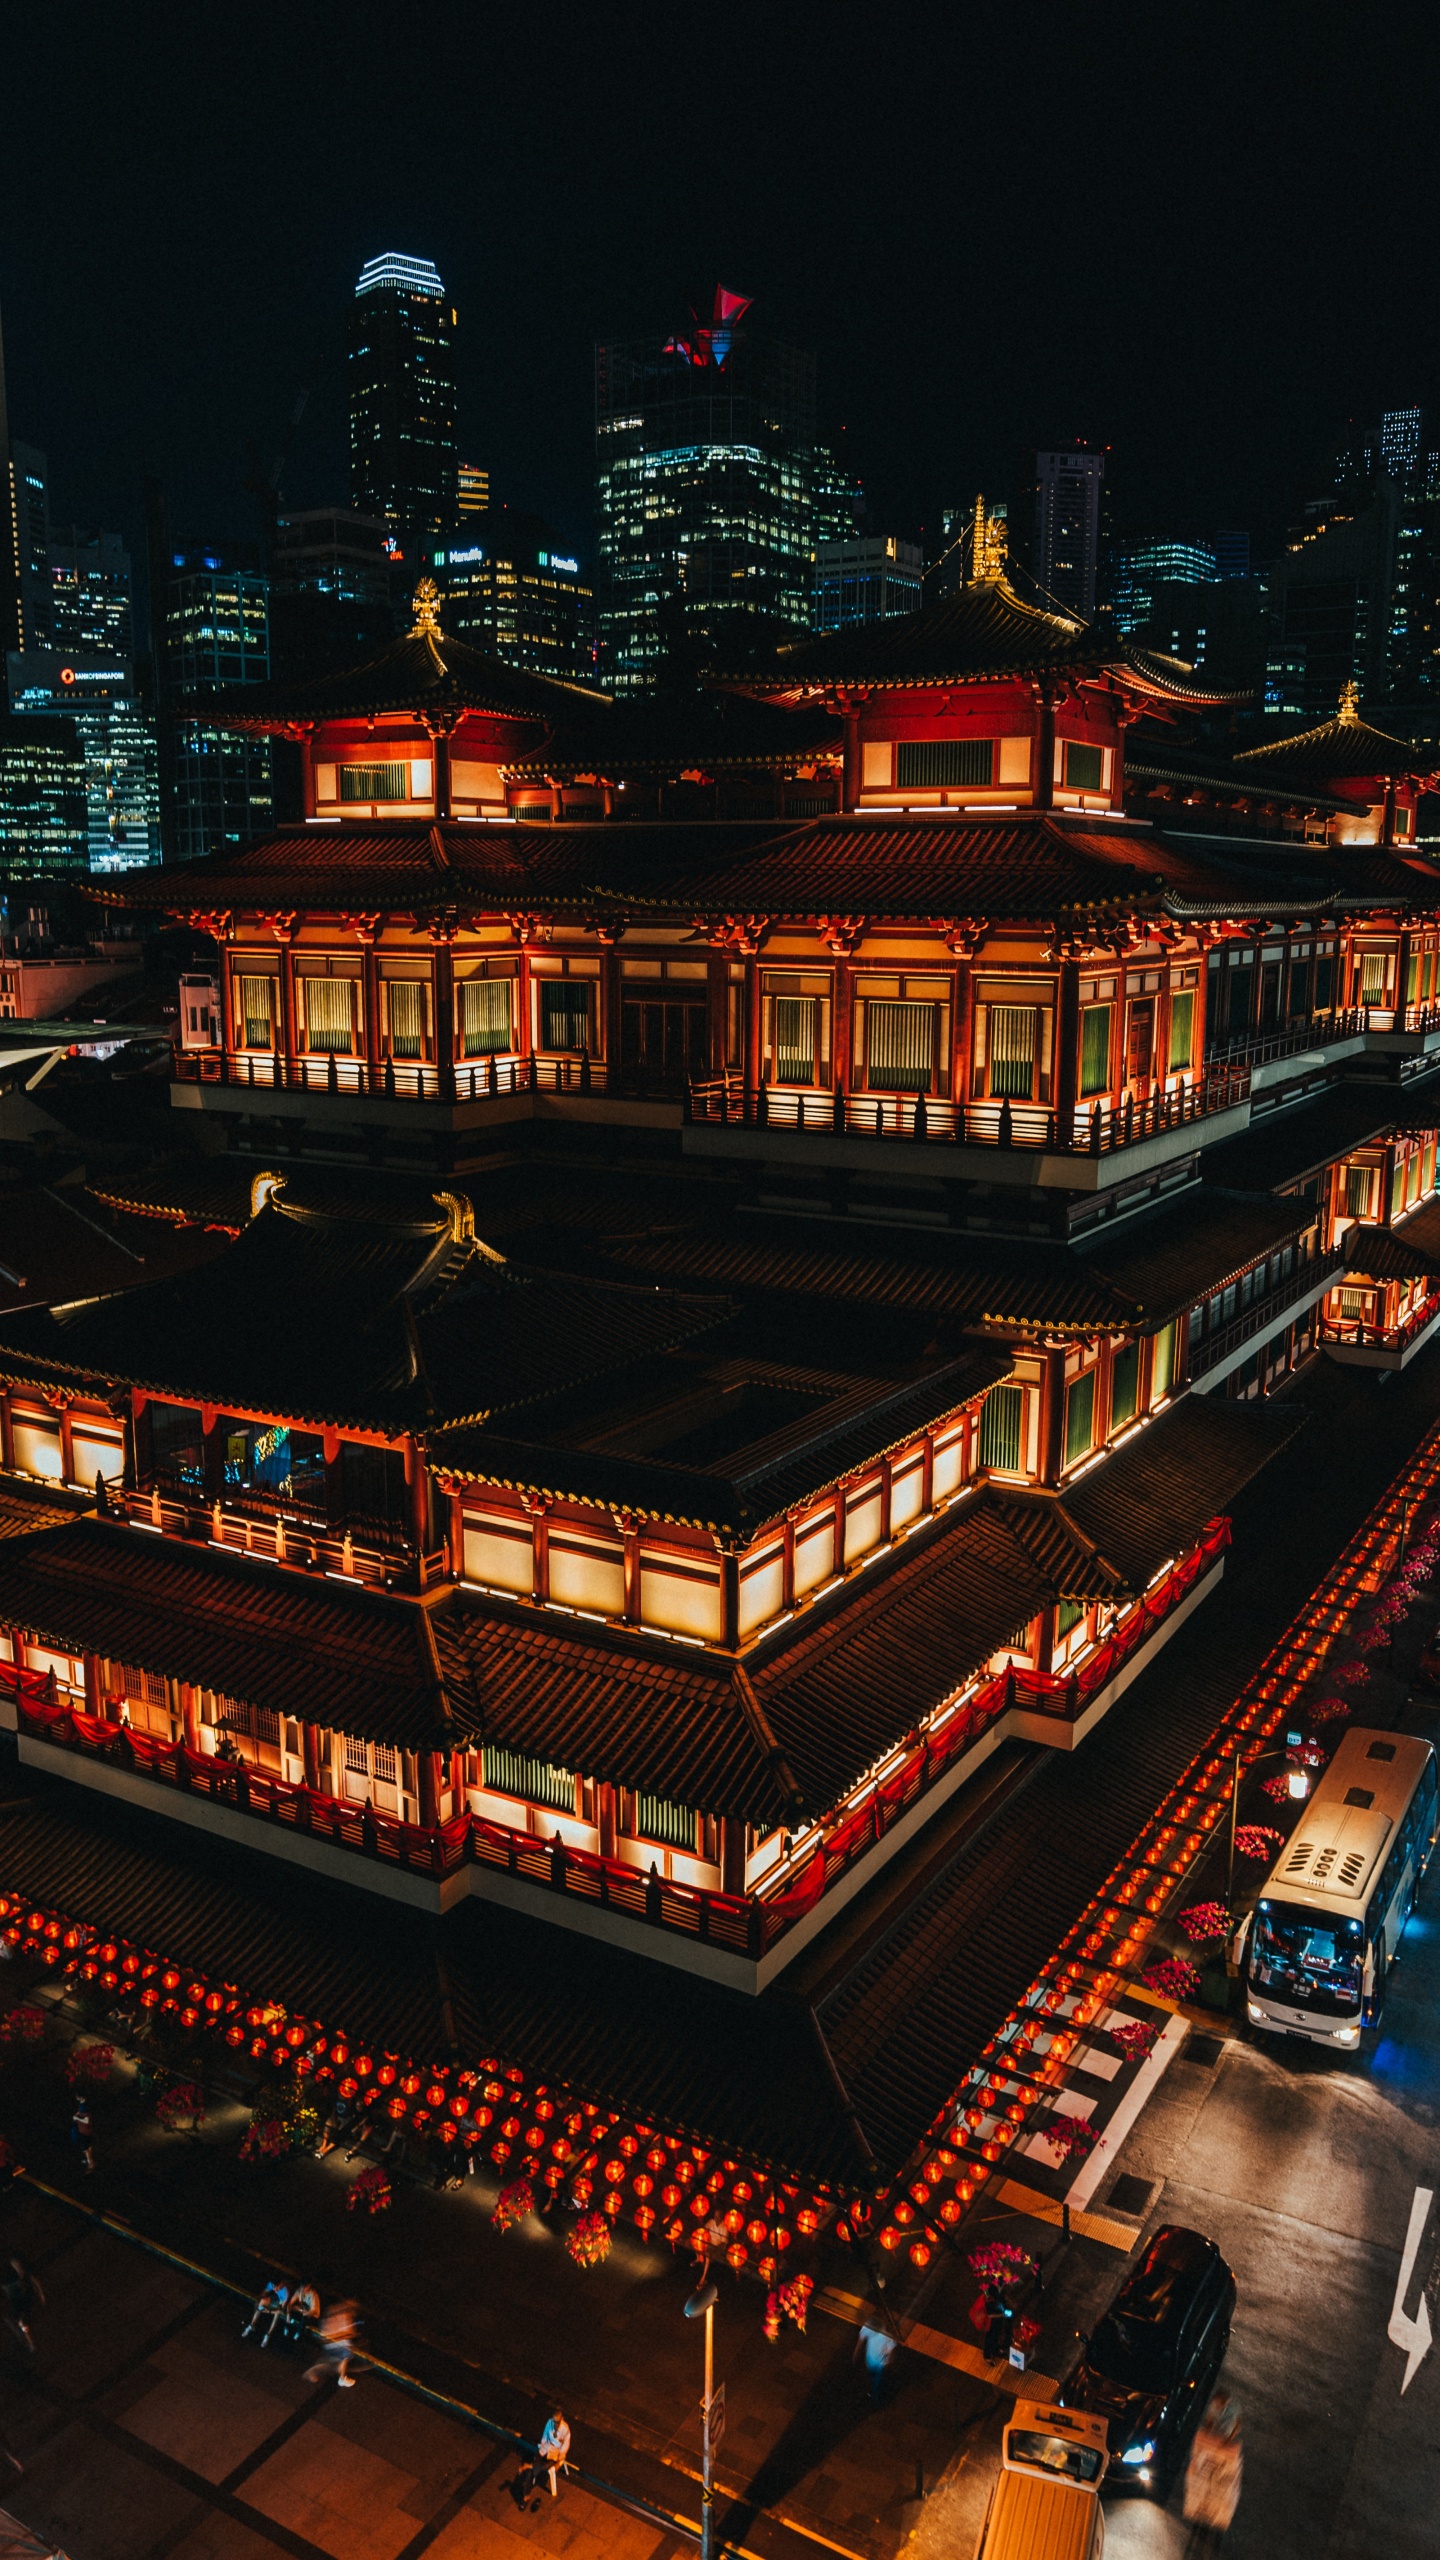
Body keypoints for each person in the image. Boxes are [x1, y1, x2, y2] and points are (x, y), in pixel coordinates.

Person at [1183, 2393, 1242, 2552]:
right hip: (1214, 2446)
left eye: (1219, 2404)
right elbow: (1209, 2421)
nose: (1216, 2407)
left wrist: (1227, 2441)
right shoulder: (1215, 2406)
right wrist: (1209, 2434)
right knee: (1204, 2493)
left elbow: (1236, 2426)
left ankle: (1210, 2542)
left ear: (1225, 2401)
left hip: (1222, 2448)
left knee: (1217, 2498)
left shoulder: (1233, 2407)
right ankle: (1198, 2535)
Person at [518, 2409, 571, 2505]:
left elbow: (565, 2447)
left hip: (555, 2454)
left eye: (558, 2422)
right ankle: (526, 2495)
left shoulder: (565, 2429)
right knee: (531, 2472)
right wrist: (542, 2450)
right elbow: (544, 2437)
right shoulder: (549, 2423)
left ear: (562, 2419)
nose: (556, 2424)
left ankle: (529, 2465)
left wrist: (559, 2462)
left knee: (545, 2466)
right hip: (546, 2449)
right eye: (555, 2422)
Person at [304, 2299, 359, 2388]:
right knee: (344, 2356)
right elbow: (345, 2332)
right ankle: (341, 2378)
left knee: (335, 2360)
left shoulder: (333, 2311)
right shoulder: (344, 2315)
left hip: (329, 2342)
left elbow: (325, 2327)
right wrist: (351, 2334)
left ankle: (314, 2371)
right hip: (335, 2344)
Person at [1, 2257, 43, 2354]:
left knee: (22, 2323)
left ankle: (30, 2342)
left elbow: (29, 2279)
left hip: (18, 2299)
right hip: (15, 2298)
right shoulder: (10, 2282)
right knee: (20, 2323)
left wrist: (40, 2293)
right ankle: (29, 2342)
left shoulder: (14, 2280)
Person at [854, 2319, 897, 2407]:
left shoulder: (877, 2331)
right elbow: (890, 2353)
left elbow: (890, 2353)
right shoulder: (889, 2337)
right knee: (875, 2381)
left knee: (875, 2381)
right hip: (877, 2364)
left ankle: (874, 2400)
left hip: (874, 2363)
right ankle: (874, 2398)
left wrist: (856, 2352)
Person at [242, 2277, 289, 2345]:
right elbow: (263, 2293)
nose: (275, 2289)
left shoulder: (286, 2292)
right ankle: (252, 2325)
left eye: (276, 2287)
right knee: (261, 2302)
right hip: (275, 2299)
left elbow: (281, 2311)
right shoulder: (272, 2284)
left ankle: (268, 2334)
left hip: (283, 2305)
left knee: (277, 2314)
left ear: (281, 2284)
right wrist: (259, 2301)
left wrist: (269, 2311)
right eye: (273, 2287)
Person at [70, 2095, 95, 2174]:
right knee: (88, 2148)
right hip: (86, 2132)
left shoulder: (85, 2110)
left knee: (86, 2149)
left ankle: (91, 2163)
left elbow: (86, 2121)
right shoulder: (82, 2108)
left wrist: (77, 2118)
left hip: (84, 2133)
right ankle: (90, 2161)